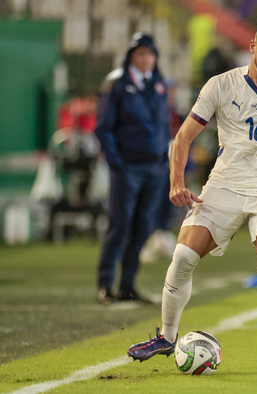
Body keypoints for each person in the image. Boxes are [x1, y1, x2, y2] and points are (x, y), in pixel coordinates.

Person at [127, 18, 257, 374]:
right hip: (223, 185)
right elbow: (183, 138)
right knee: (181, 257)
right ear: (253, 46)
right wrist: (176, 183)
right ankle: (167, 336)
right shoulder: (220, 85)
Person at [94, 33, 171, 304]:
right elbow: (103, 128)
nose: (147, 59)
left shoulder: (159, 84)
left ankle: (128, 285)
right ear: (131, 56)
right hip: (128, 167)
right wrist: (117, 162)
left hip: (155, 168)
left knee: (142, 227)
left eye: (151, 54)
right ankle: (105, 285)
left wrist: (165, 159)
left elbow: (163, 125)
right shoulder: (115, 84)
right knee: (119, 225)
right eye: (141, 53)